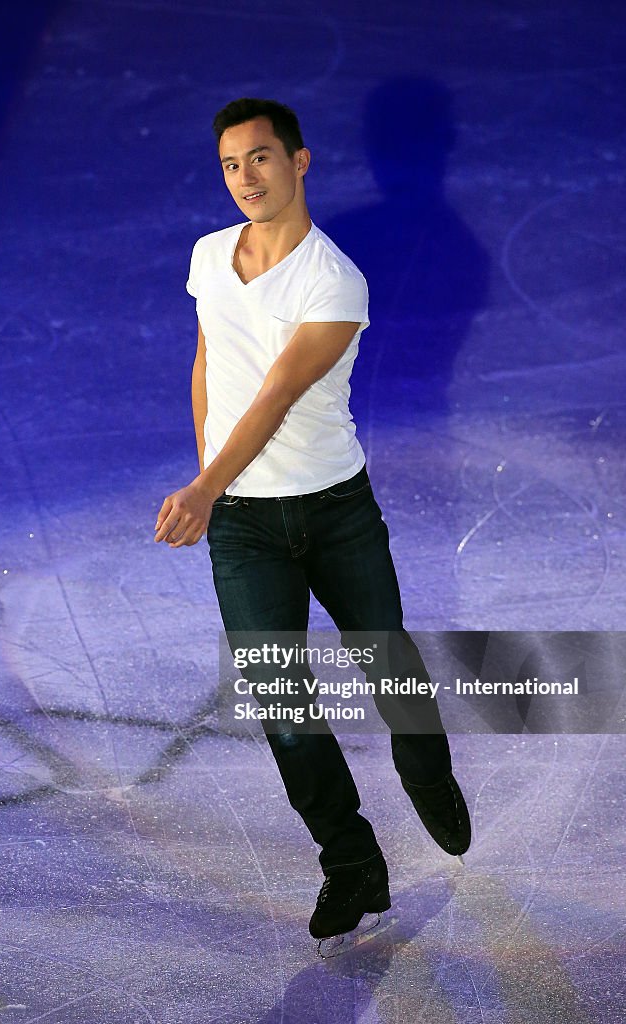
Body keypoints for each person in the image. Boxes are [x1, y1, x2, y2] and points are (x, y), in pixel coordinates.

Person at [154, 97, 471, 946]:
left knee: (388, 666)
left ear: (299, 162)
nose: (244, 178)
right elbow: (210, 363)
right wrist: (213, 488)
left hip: (335, 511)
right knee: (281, 704)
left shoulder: (333, 279)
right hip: (246, 529)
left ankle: (423, 764)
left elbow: (275, 396)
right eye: (229, 164)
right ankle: (351, 861)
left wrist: (203, 486)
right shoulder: (208, 256)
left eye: (259, 158)